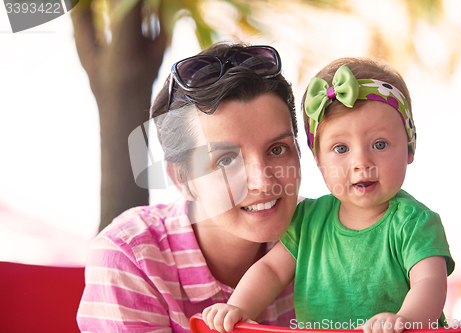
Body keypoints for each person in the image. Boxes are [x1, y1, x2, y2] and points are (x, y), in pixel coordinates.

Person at [202, 58, 455, 333]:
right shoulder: (309, 220)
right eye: (341, 149)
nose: (361, 161)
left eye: (379, 144)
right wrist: (238, 306)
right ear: (319, 161)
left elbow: (429, 283)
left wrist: (406, 319)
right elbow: (271, 272)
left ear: (408, 150)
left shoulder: (415, 223)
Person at [76, 42, 302, 332]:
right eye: (226, 160)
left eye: (278, 149)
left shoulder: (327, 231)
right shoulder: (130, 258)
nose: (264, 181)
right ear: (182, 180)